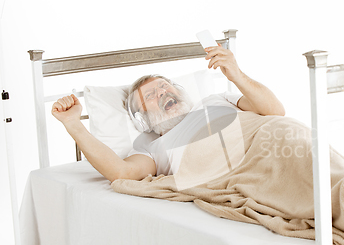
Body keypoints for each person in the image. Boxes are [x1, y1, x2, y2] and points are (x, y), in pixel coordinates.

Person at [52, 45, 285, 182]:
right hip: (252, 173)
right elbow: (121, 172)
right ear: (142, 118)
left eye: (165, 86)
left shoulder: (217, 99)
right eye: (151, 95)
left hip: (279, 143)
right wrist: (73, 123)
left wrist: (236, 74)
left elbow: (275, 112)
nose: (162, 92)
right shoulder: (153, 147)